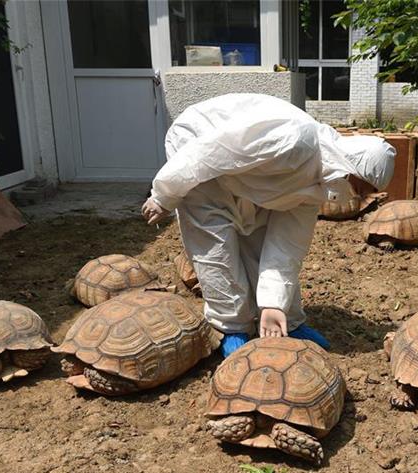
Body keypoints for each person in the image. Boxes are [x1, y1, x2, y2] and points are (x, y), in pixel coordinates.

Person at [142, 93, 395, 356]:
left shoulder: (315, 187)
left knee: (258, 238)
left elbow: (286, 246)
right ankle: (231, 326)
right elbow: (211, 153)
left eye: (366, 191)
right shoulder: (295, 142)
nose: (359, 194)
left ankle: (286, 320)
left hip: (245, 176)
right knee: (215, 241)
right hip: (197, 142)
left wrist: (274, 305)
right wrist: (166, 193)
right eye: (361, 186)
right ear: (351, 166)